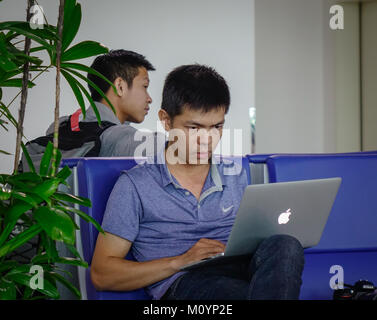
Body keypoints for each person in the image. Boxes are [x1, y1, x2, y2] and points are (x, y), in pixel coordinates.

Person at [90, 64, 305, 300]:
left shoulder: (235, 175)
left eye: (217, 127)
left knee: (285, 245)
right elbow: (102, 275)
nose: (207, 141)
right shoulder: (135, 185)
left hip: (242, 272)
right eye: (194, 128)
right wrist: (180, 262)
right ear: (166, 121)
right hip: (185, 283)